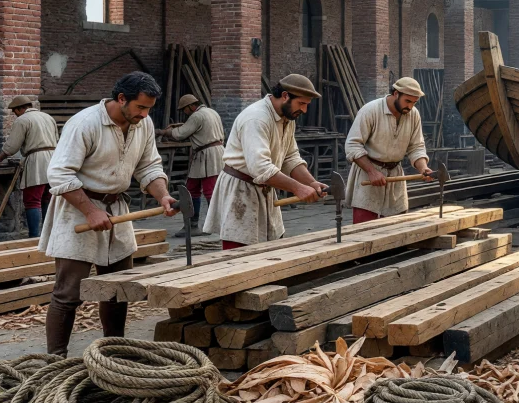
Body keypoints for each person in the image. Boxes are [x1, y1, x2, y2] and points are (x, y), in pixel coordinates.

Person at [40, 72, 175, 355]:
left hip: (116, 209)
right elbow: (59, 174)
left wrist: (163, 195)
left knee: (118, 290)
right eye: (140, 107)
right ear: (121, 98)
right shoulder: (85, 123)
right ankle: (55, 359)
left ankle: (115, 352)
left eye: (149, 108)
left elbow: (149, 166)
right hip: (78, 209)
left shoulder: (144, 124)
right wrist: (90, 211)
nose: (145, 114)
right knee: (68, 293)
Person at [204, 75, 327, 248]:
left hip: (264, 189)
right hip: (240, 191)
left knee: (271, 248)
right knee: (239, 254)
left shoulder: (287, 117)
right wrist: (298, 188)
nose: (305, 110)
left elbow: (290, 157)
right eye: (301, 103)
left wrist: (311, 182)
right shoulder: (257, 118)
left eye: (307, 104)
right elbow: (260, 168)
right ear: (285, 96)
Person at [344, 77, 432, 224]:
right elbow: (352, 145)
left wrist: (423, 168)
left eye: (414, 102)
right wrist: (372, 171)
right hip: (367, 174)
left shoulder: (413, 114)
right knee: (364, 228)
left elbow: (416, 147)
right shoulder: (370, 110)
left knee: (396, 226)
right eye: (407, 101)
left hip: (395, 174)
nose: (410, 107)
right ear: (396, 94)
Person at [0, 95, 58, 238]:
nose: (14, 114)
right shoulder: (48, 117)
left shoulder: (23, 120)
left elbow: (11, 147)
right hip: (54, 160)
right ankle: (49, 236)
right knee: (47, 198)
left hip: (37, 161)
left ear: (20, 108)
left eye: (14, 111)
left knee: (32, 200)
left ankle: (34, 236)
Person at [159, 94, 224, 237]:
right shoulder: (211, 112)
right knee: (191, 189)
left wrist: (164, 132)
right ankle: (193, 225)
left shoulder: (197, 116)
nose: (185, 113)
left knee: (209, 191)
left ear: (190, 106)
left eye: (185, 110)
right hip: (210, 153)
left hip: (208, 155)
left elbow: (180, 134)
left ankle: (220, 224)